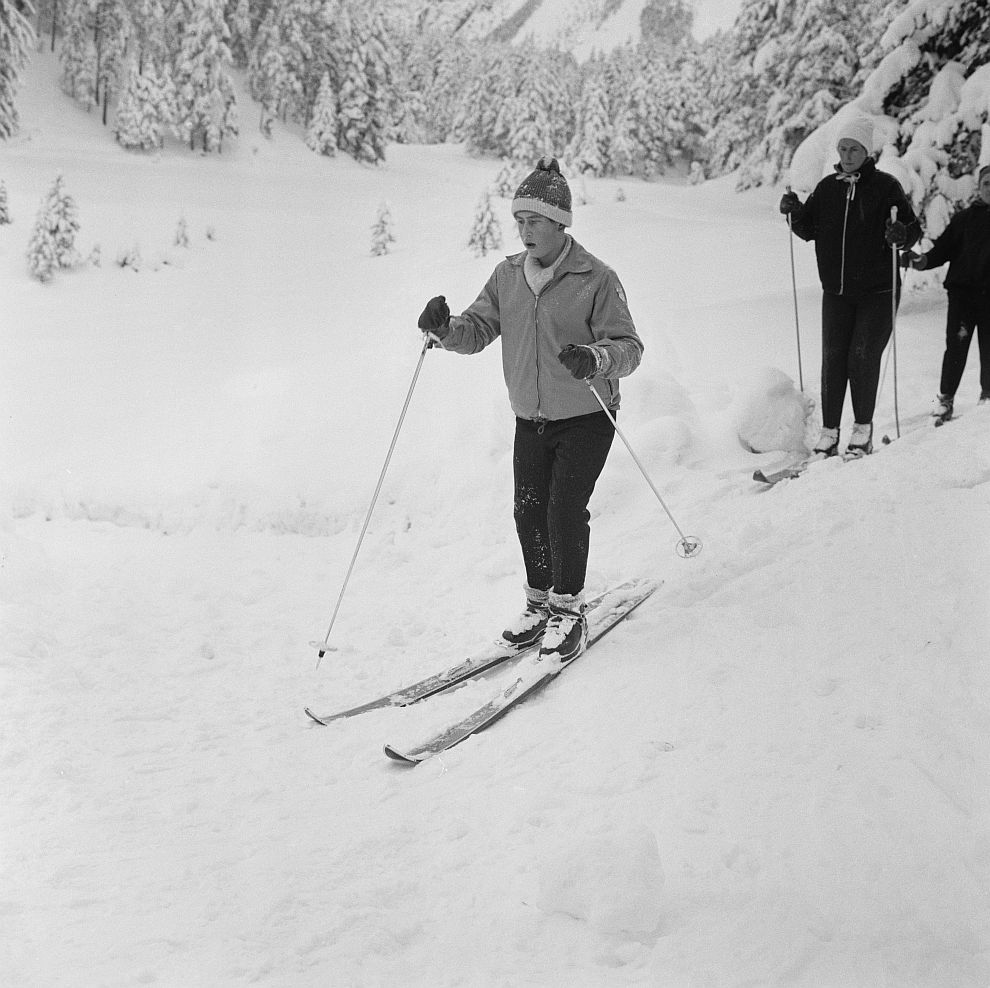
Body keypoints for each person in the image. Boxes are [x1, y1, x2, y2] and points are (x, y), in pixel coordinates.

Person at [417, 157, 643, 664]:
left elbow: (629, 346)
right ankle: (538, 603)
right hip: (530, 417)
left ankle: (568, 609)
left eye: (534, 221)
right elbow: (475, 330)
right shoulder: (507, 276)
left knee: (564, 511)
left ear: (560, 223)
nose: (524, 231)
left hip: (587, 416)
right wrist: (443, 327)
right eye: (519, 221)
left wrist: (595, 357)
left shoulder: (596, 278)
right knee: (527, 512)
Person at [779, 116, 921, 456]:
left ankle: (862, 430)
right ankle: (829, 432)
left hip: (878, 291)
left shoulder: (886, 187)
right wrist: (795, 214)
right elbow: (810, 228)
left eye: (854, 149)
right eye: (842, 148)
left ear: (866, 151)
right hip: (837, 292)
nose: (847, 155)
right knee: (833, 359)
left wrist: (901, 234)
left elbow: (911, 230)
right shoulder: (828, 187)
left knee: (862, 357)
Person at [901, 163, 990, 422]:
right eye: (986, 184)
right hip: (963, 296)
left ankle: (987, 397)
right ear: (979, 187)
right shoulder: (964, 219)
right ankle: (946, 399)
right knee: (956, 348)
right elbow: (942, 250)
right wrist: (921, 261)